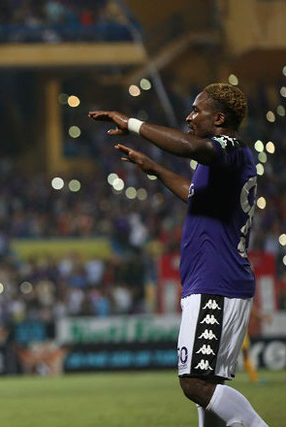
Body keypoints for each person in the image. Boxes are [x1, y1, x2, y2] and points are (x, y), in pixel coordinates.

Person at [89, 83, 267, 426]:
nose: (189, 117)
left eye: (196, 110)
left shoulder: (229, 147)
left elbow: (190, 147)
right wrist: (155, 170)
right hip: (216, 280)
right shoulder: (225, 161)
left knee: (195, 384)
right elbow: (195, 194)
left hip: (217, 281)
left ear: (219, 119)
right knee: (207, 386)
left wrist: (132, 123)